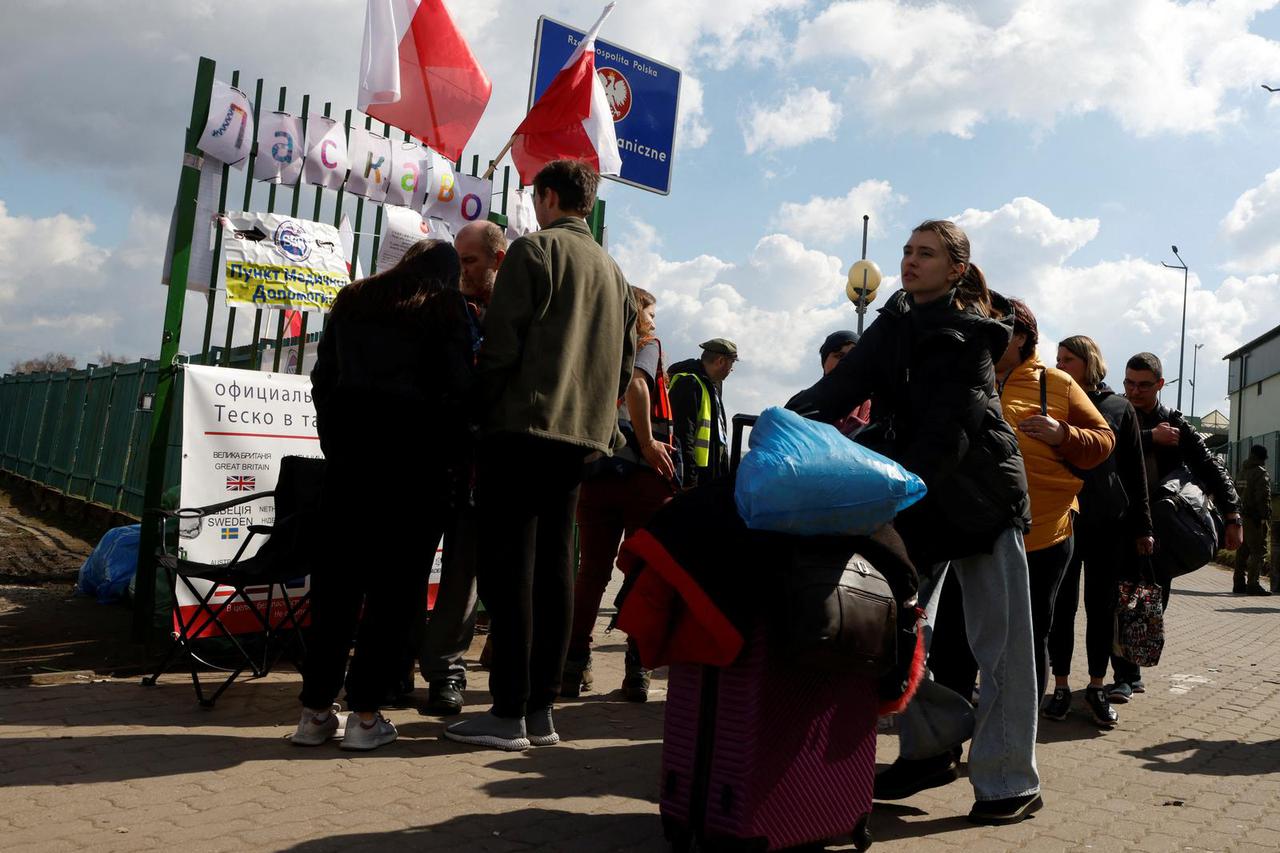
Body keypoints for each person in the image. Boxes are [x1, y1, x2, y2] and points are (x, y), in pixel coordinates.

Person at [787, 219, 1042, 825]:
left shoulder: (969, 337)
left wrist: (885, 485)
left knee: (999, 646)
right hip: (922, 498)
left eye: (925, 253)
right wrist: (788, 422)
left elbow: (945, 439)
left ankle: (1010, 781)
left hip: (981, 499)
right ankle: (932, 745)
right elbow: (842, 386)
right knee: (888, 630)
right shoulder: (895, 322)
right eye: (907, 251)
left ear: (956, 269)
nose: (910, 260)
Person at [445, 160, 636, 752]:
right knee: (557, 568)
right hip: (581, 439)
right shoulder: (615, 272)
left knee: (510, 572)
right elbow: (626, 368)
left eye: (534, 197)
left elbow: (502, 349)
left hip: (521, 428)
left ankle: (506, 711)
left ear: (548, 197)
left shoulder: (534, 252)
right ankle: (540, 713)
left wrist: (475, 411)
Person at [294, 240, 472, 751]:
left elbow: (322, 380)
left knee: (334, 591)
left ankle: (314, 713)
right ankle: (365, 716)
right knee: (393, 597)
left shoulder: (352, 300)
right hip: (416, 475)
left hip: (349, 469)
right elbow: (458, 391)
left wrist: (337, 439)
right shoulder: (444, 308)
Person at [993, 301, 1114, 712]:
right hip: (977, 532)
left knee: (1029, 636)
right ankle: (959, 733)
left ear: (1020, 337)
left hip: (1045, 534)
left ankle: (1018, 735)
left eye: (995, 325)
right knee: (969, 637)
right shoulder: (968, 377)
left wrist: (1062, 433)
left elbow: (1103, 440)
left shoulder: (1057, 383)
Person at [562, 286, 678, 702]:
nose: (653, 320)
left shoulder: (592, 344)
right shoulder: (645, 344)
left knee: (591, 571)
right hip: (642, 476)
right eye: (650, 310)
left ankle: (572, 667)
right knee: (643, 570)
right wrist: (648, 443)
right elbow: (640, 385)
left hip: (596, 474)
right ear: (635, 312)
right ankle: (637, 671)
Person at [1108, 351, 1243, 704]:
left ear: (1160, 385)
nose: (1134, 392)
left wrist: (1233, 516)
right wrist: (1150, 436)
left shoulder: (1176, 423)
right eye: (1129, 383)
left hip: (1160, 530)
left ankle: (1132, 670)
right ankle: (1124, 675)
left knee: (1150, 600)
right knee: (1119, 600)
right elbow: (1103, 446)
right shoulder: (1115, 412)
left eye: (1143, 385)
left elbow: (1212, 467)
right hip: (1119, 525)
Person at [415, 220, 508, 717]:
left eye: (470, 261)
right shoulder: (439, 309)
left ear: (498, 259)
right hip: (432, 461)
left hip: (482, 467)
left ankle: (446, 672)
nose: (462, 270)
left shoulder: (513, 315)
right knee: (406, 569)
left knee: (462, 576)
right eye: (458, 260)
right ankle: (391, 665)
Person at [1044, 335, 1152, 726]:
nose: (1060, 365)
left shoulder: (1119, 408)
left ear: (1089, 362)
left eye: (1068, 359)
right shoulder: (1055, 404)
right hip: (1062, 522)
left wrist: (1143, 526)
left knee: (1101, 608)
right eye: (1057, 359)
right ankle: (1058, 687)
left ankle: (1095, 686)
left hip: (1109, 526)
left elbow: (1134, 472)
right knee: (1062, 608)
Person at [668, 339, 736, 489]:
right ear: (721, 361)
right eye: (732, 364)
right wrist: (689, 479)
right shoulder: (689, 383)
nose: (732, 370)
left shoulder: (710, 385)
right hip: (695, 477)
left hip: (707, 475)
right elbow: (683, 435)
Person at [1235, 445, 1272, 596]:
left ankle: (1238, 584)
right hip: (1255, 518)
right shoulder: (1260, 473)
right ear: (1262, 458)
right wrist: (1265, 516)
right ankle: (1253, 584)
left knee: (1242, 550)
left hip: (1241, 517)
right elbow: (1263, 497)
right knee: (1258, 551)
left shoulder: (1241, 472)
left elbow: (1236, 493)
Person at [819, 330, 872, 434]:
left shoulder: (876, 409)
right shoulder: (804, 403)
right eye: (839, 356)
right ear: (825, 361)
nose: (845, 362)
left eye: (852, 356)